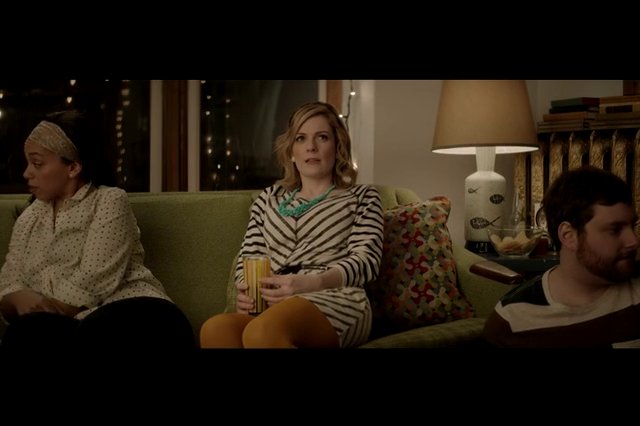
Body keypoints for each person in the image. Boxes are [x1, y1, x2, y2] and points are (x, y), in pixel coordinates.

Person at [0, 110, 195, 354]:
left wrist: (37, 306)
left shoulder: (109, 200)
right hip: (72, 326)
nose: (26, 173)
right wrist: (16, 299)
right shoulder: (28, 218)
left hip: (138, 315)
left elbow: (92, 281)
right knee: (24, 332)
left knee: (86, 329)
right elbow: (8, 284)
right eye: (28, 163)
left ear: (73, 167)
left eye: (37, 164)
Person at [199, 101, 384, 348]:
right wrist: (247, 291)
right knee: (215, 329)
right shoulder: (269, 199)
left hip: (338, 297)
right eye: (301, 138)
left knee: (262, 332)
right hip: (274, 302)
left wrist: (311, 283)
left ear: (338, 146)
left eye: (322, 137)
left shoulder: (362, 197)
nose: (311, 147)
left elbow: (366, 261)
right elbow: (250, 256)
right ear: (291, 151)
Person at [483, 166, 640, 347]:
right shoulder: (513, 320)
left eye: (632, 226)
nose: (633, 241)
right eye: (615, 230)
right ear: (568, 236)